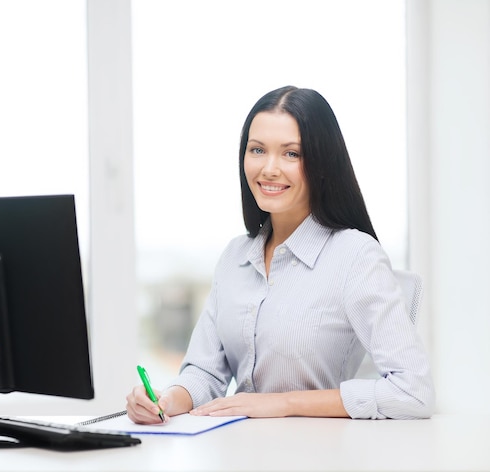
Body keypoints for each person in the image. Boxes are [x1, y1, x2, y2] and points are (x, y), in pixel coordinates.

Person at [126, 86, 435, 422]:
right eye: (257, 150)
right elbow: (206, 373)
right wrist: (166, 400)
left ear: (321, 163)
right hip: (239, 452)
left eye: (291, 154)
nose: (269, 169)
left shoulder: (356, 256)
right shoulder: (235, 257)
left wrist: (286, 403)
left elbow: (413, 392)